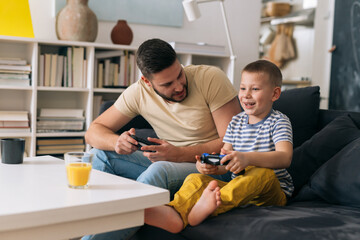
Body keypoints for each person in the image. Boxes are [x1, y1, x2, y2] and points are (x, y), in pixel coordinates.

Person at [83, 38, 241, 239]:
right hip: (172, 161)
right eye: (167, 84)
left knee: (160, 169)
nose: (178, 86)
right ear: (147, 82)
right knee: (100, 155)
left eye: (180, 75)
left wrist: (179, 154)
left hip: (214, 166)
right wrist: (116, 142)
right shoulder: (138, 93)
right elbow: (93, 131)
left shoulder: (210, 78)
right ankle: (94, 224)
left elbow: (233, 143)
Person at [144, 59, 294, 233]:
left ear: (274, 94)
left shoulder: (279, 121)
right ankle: (176, 213)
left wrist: (247, 158)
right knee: (195, 179)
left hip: (271, 192)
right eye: (243, 88)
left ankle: (212, 208)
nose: (246, 95)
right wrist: (212, 168)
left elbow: (285, 158)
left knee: (262, 173)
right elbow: (226, 164)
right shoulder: (236, 122)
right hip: (238, 187)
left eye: (255, 89)